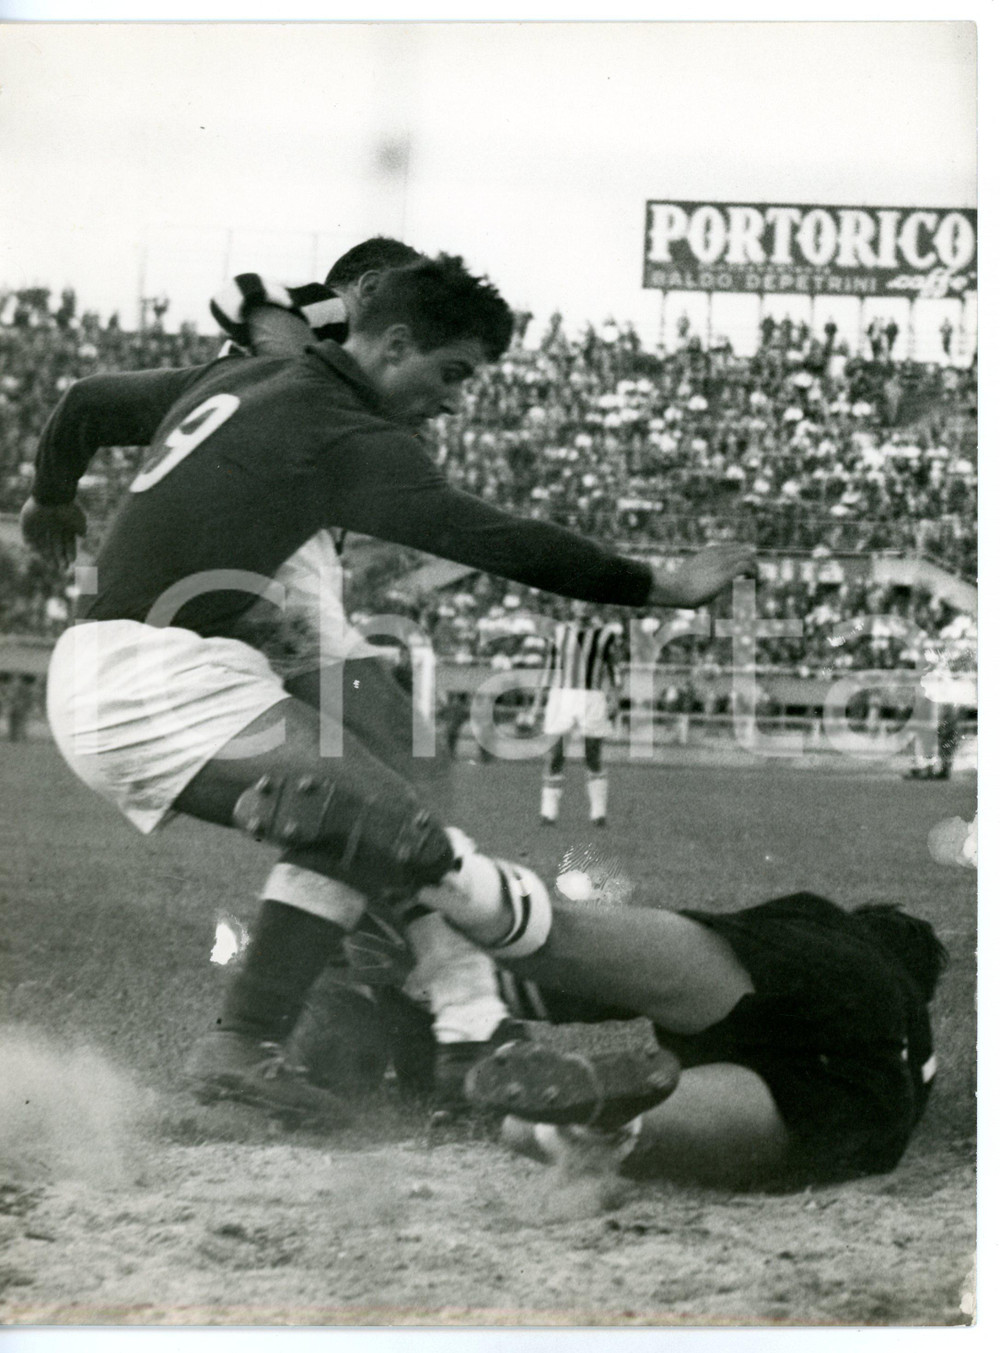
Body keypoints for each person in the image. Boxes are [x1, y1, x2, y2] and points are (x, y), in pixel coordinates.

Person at [21, 252, 754, 1124]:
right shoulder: (344, 430)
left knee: (368, 814)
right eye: (452, 375)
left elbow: (86, 402)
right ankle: (472, 1041)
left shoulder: (254, 374)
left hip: (144, 668)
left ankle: (264, 1044)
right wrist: (655, 586)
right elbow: (491, 536)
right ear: (395, 342)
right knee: (397, 820)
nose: (453, 400)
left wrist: (52, 499)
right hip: (151, 679)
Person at [409, 869, 946, 1190]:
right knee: (582, 1127)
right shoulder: (917, 1049)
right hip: (865, 1106)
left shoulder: (834, 932)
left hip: (806, 970)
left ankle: (465, 956)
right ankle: (587, 1120)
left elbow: (636, 984)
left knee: (575, 951)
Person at [538, 610, 622, 827]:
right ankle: (548, 813)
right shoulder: (558, 632)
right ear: (572, 604)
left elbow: (613, 669)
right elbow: (548, 667)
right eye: (579, 601)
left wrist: (615, 697)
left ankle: (598, 813)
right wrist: (537, 702)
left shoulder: (605, 635)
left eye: (588, 602)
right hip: (562, 695)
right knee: (555, 754)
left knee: (592, 755)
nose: (583, 606)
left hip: (592, 697)